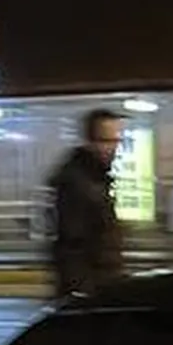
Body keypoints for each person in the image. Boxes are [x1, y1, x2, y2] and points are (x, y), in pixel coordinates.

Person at [46, 108, 125, 300]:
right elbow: (72, 244)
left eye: (116, 140)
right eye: (106, 140)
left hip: (103, 287)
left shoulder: (96, 179)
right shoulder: (77, 183)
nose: (113, 148)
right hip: (91, 292)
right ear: (90, 141)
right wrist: (81, 294)